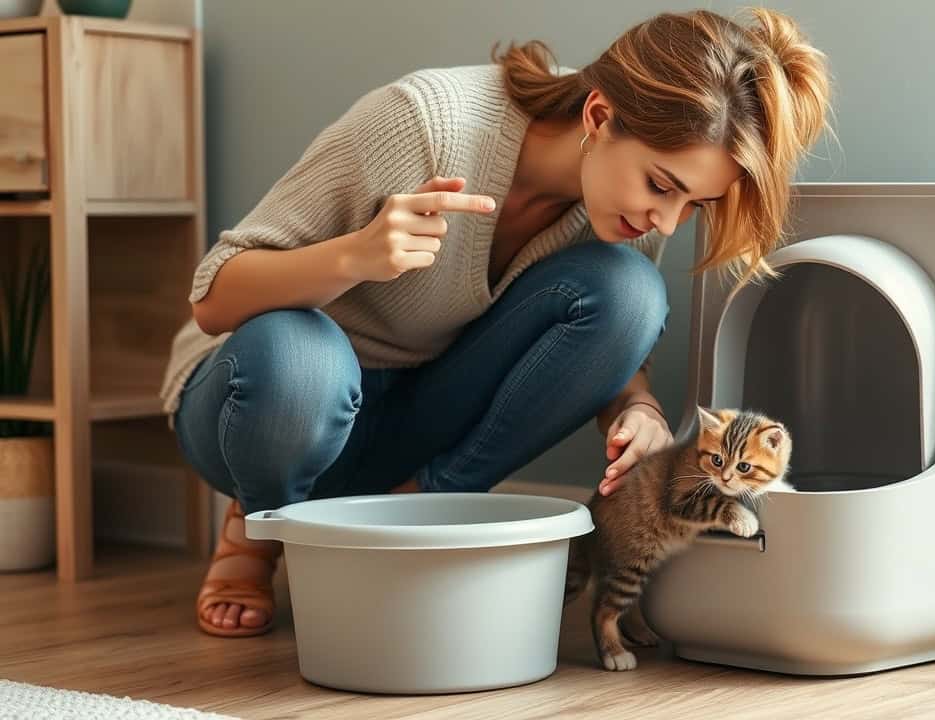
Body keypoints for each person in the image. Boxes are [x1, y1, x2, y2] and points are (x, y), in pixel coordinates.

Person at [162, 7, 832, 637]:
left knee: (631, 291)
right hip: (255, 407)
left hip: (411, 417)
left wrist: (640, 407)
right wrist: (355, 255)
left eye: (694, 204)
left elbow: (606, 330)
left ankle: (412, 514)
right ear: (600, 114)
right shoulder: (423, 122)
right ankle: (257, 528)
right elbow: (213, 297)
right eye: (661, 185)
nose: (667, 220)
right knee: (302, 358)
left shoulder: (630, 212)